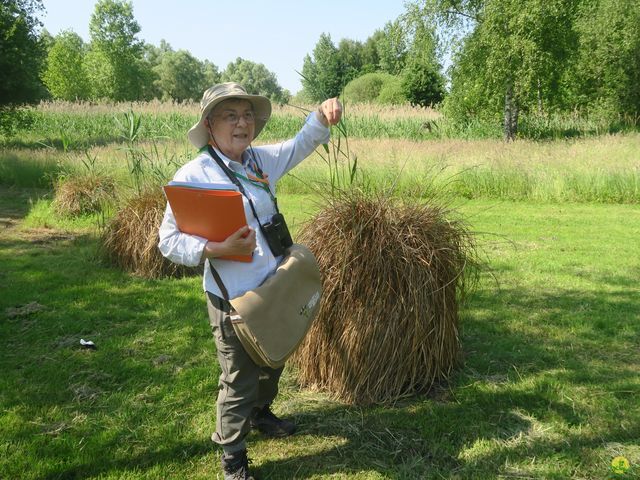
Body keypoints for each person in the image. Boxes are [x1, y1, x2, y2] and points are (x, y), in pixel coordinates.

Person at [158, 82, 342, 480]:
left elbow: (299, 145)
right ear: (209, 125)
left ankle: (260, 414)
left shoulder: (259, 162)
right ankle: (233, 457)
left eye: (247, 115)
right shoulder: (195, 174)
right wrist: (214, 249)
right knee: (238, 379)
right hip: (233, 299)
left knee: (273, 357)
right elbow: (168, 240)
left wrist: (321, 115)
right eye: (230, 115)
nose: (242, 123)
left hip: (272, 286)